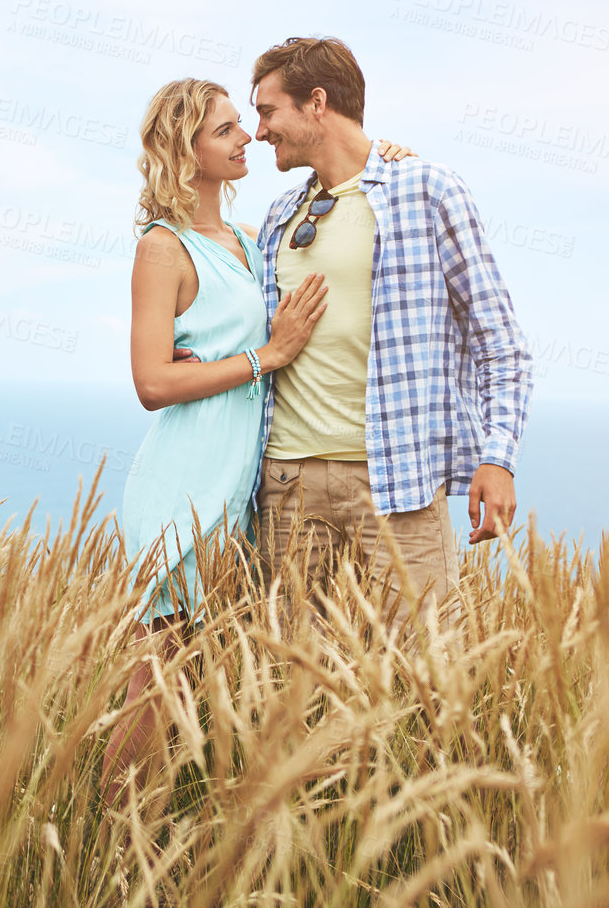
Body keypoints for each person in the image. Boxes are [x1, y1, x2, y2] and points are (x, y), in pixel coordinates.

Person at [102, 77, 411, 799]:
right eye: (225, 130)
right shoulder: (162, 248)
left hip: (242, 488)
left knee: (209, 684)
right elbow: (151, 382)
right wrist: (262, 358)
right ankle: (112, 838)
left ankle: (175, 821)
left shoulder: (252, 239)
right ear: (187, 151)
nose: (248, 137)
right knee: (156, 680)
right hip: (185, 486)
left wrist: (390, 156)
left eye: (245, 123)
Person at [245, 36, 533, 627]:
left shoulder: (427, 190)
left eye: (268, 111)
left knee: (428, 674)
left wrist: (498, 459)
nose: (258, 131)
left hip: (397, 481)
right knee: (287, 682)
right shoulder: (278, 217)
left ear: (316, 103)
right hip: (287, 482)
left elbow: (500, 343)